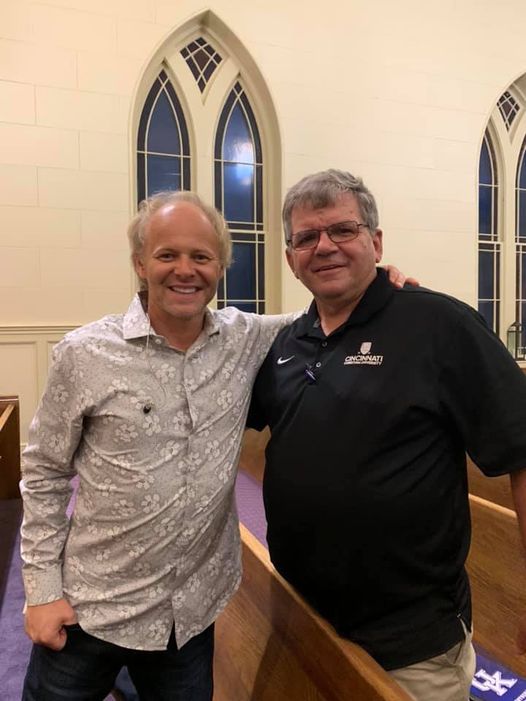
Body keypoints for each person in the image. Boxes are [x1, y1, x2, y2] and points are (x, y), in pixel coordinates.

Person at [19, 187, 412, 700]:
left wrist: (379, 287)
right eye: (167, 255)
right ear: (140, 264)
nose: (185, 270)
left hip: (188, 616)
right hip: (90, 607)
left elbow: (326, 314)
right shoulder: (85, 353)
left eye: (201, 257)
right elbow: (45, 473)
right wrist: (42, 591)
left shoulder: (247, 339)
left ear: (220, 266)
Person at [247, 169, 526, 701]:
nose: (324, 246)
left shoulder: (439, 325)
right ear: (290, 258)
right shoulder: (288, 341)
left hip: (410, 642)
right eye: (307, 237)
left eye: (342, 230)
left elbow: (522, 450)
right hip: (302, 617)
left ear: (375, 243)